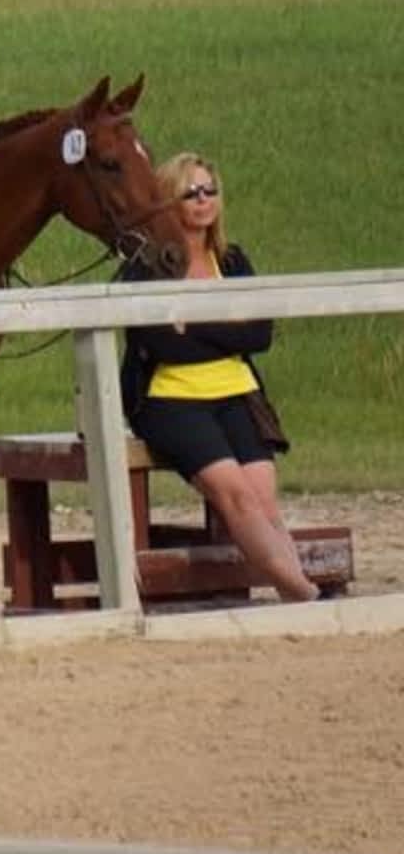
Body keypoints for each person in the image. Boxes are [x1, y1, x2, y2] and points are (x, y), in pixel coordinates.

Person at [120, 153, 319, 604]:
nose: (203, 200)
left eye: (210, 190)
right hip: (170, 397)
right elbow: (166, 347)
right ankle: (304, 593)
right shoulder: (147, 266)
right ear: (169, 202)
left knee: (266, 501)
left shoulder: (231, 260)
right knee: (237, 498)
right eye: (190, 192)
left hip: (237, 393)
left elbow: (259, 334)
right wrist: (227, 326)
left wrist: (194, 323)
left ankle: (295, 594)